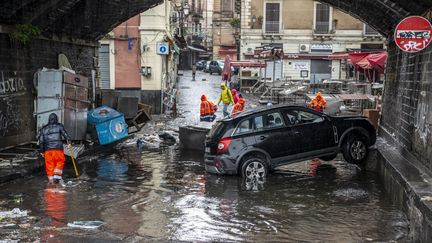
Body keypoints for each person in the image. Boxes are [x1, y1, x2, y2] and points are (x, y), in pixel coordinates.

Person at [38, 113, 72, 184]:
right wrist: (69, 143)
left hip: (48, 151)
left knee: (49, 165)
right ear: (56, 119)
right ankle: (56, 176)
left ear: (49, 119)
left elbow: (41, 141)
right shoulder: (59, 126)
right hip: (58, 149)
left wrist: (41, 151)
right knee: (60, 161)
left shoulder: (44, 129)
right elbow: (66, 135)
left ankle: (51, 181)